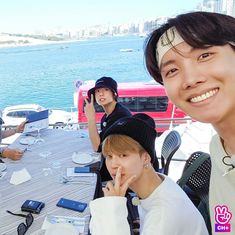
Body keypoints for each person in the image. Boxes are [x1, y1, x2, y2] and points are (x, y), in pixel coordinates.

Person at [144, 11, 235, 234]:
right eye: (172, 70)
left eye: (204, 56)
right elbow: (224, 225)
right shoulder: (219, 147)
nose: (191, 79)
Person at [89, 115, 208, 235]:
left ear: (145, 158)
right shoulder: (159, 182)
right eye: (109, 156)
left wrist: (112, 205)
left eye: (123, 155)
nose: (113, 164)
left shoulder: (163, 216)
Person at [84, 76, 132, 180]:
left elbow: (97, 147)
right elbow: (101, 141)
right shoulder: (107, 116)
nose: (101, 94)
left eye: (106, 90)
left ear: (114, 93)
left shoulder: (119, 116)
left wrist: (91, 117)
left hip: (122, 171)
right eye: (97, 91)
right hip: (114, 162)